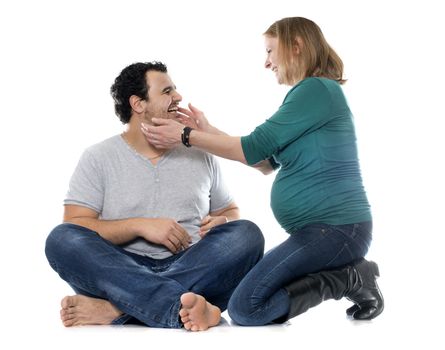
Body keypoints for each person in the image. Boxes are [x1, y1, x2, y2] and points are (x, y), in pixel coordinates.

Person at [142, 17, 384, 325]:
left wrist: (185, 137)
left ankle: (350, 279)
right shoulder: (310, 96)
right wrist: (206, 131)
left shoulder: (316, 91)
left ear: (296, 46)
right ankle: (348, 276)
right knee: (248, 302)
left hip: (337, 229)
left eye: (270, 51)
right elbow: (262, 162)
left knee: (246, 308)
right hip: (325, 232)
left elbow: (253, 147)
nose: (267, 63)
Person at [44, 61, 265, 331]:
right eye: (167, 91)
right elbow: (76, 226)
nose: (179, 97)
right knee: (61, 239)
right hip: (119, 268)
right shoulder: (98, 157)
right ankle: (180, 308)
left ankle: (117, 308)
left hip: (192, 264)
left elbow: (230, 211)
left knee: (247, 234)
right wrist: (140, 225)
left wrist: (225, 222)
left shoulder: (199, 152)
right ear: (138, 104)